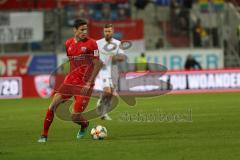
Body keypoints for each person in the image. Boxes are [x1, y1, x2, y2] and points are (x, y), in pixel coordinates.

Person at [38, 19, 103, 143]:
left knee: (75, 116)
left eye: (86, 29)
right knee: (52, 106)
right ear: (75, 30)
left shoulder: (92, 44)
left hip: (84, 84)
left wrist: (90, 82)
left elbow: (98, 64)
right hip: (69, 82)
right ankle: (44, 135)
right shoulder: (68, 43)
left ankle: (84, 125)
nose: (85, 32)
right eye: (82, 29)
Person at [96, 24, 127, 120]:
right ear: (103, 32)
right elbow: (94, 56)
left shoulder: (118, 43)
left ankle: (104, 113)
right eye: (105, 31)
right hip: (103, 69)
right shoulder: (98, 43)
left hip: (113, 69)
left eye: (109, 31)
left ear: (112, 32)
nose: (107, 33)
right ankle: (100, 101)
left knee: (112, 94)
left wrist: (115, 57)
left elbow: (122, 57)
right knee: (107, 91)